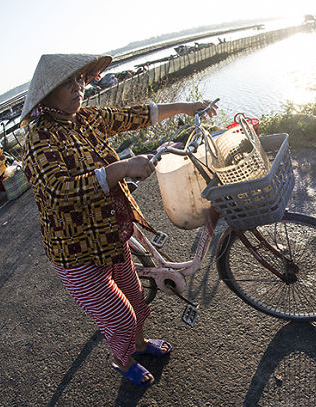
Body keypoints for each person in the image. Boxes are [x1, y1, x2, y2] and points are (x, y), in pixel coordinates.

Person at [21, 53, 217, 386]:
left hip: (111, 235)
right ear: (46, 96)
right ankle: (123, 361)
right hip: (76, 254)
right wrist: (121, 169)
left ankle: (139, 346)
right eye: (66, 84)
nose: (77, 88)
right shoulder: (38, 141)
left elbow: (135, 115)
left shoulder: (84, 118)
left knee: (136, 300)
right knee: (120, 317)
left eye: (79, 79)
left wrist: (188, 106)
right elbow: (58, 192)